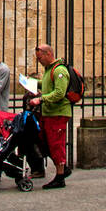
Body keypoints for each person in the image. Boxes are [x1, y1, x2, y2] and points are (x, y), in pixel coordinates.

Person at [32, 43, 72, 189]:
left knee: (57, 144)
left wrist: (41, 99)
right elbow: (46, 84)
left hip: (58, 113)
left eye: (40, 57)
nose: (39, 61)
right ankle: (63, 168)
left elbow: (60, 93)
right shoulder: (49, 70)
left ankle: (60, 177)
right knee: (44, 141)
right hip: (49, 113)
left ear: (48, 54)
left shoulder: (59, 70)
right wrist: (31, 83)